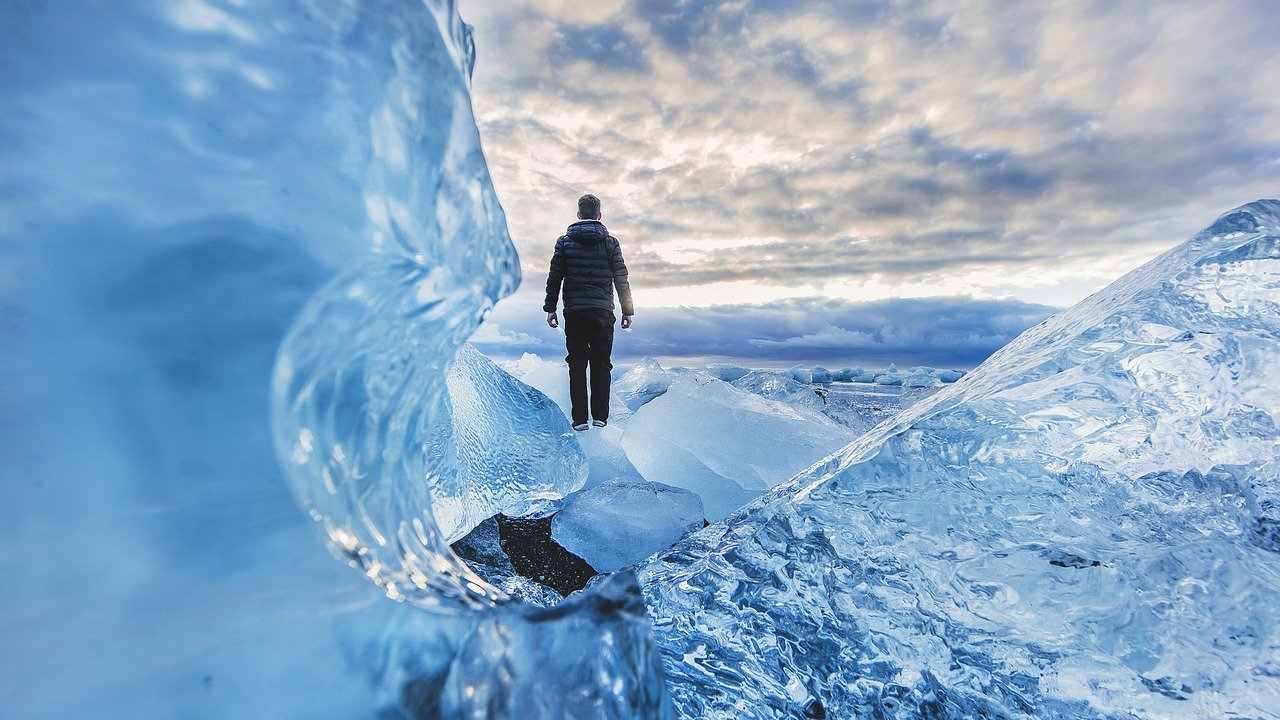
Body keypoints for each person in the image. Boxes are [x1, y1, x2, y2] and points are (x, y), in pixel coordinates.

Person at [543, 194, 634, 431]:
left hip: (574, 312)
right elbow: (621, 278)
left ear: (579, 215)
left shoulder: (564, 242)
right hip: (603, 312)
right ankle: (600, 417)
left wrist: (550, 308)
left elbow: (555, 278)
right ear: (599, 215)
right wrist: (627, 310)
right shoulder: (611, 243)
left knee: (577, 365)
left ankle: (580, 419)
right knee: (601, 364)